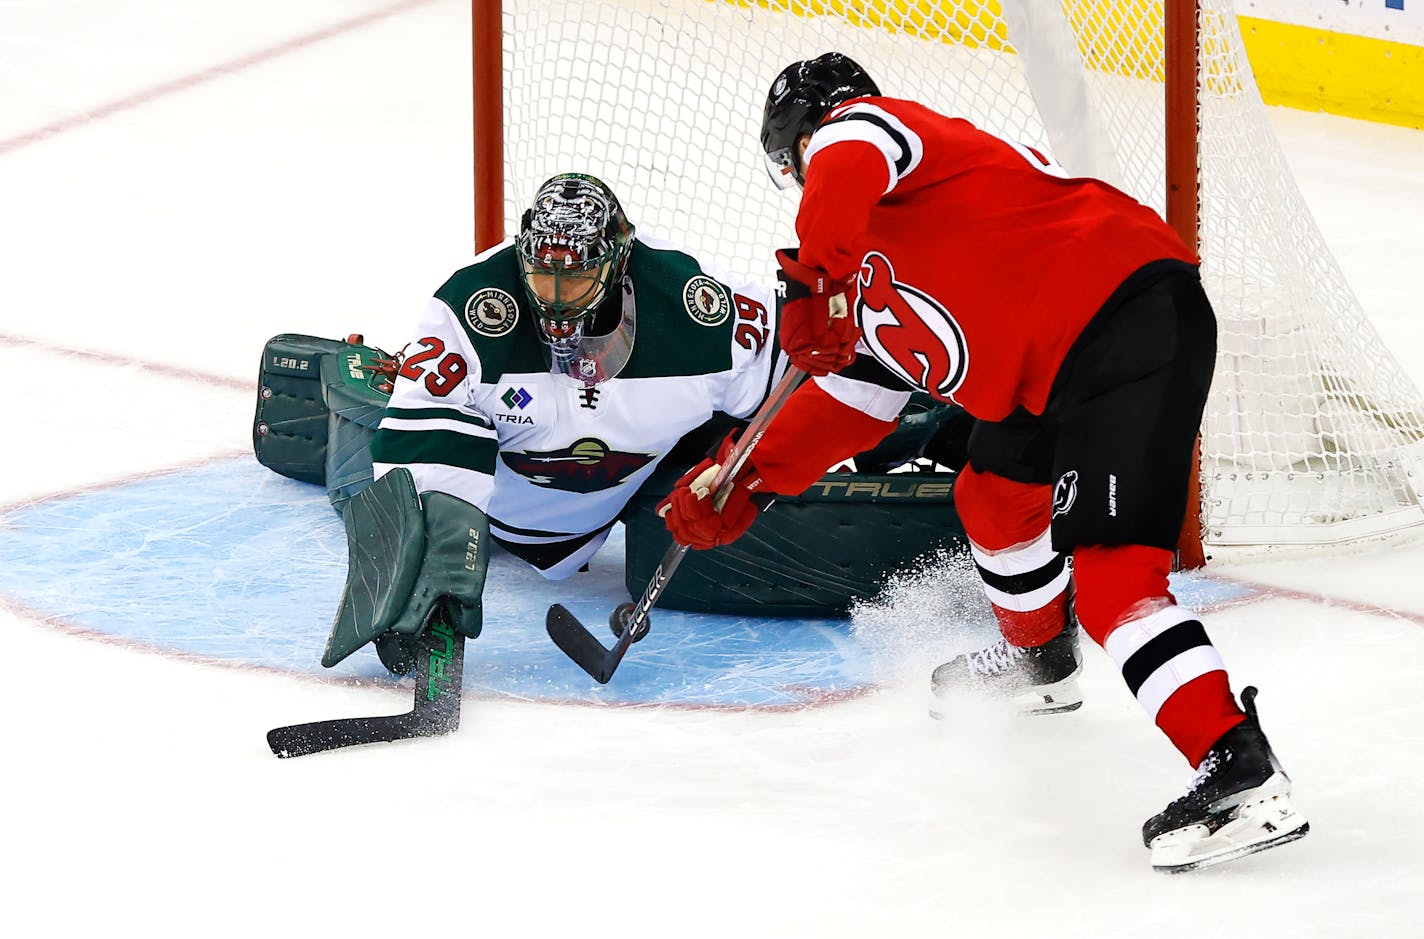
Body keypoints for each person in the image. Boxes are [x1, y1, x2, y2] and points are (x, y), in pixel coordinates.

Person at [658, 53, 1308, 872]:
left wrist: (811, 277)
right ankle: (1040, 657)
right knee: (993, 494)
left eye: (794, 164)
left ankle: (1238, 765)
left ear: (797, 149)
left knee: (1116, 582)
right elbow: (855, 403)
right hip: (1046, 373)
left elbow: (848, 147)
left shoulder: (882, 138)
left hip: (1124, 321)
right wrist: (744, 475)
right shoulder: (859, 267)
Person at [317, 172, 788, 677]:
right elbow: (420, 458)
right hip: (490, 507)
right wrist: (429, 558)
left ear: (619, 259)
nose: (558, 300)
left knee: (726, 449)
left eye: (577, 278)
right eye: (544, 278)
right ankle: (361, 403)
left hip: (610, 498)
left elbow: (802, 382)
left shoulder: (702, 311)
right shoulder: (471, 305)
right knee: (377, 466)